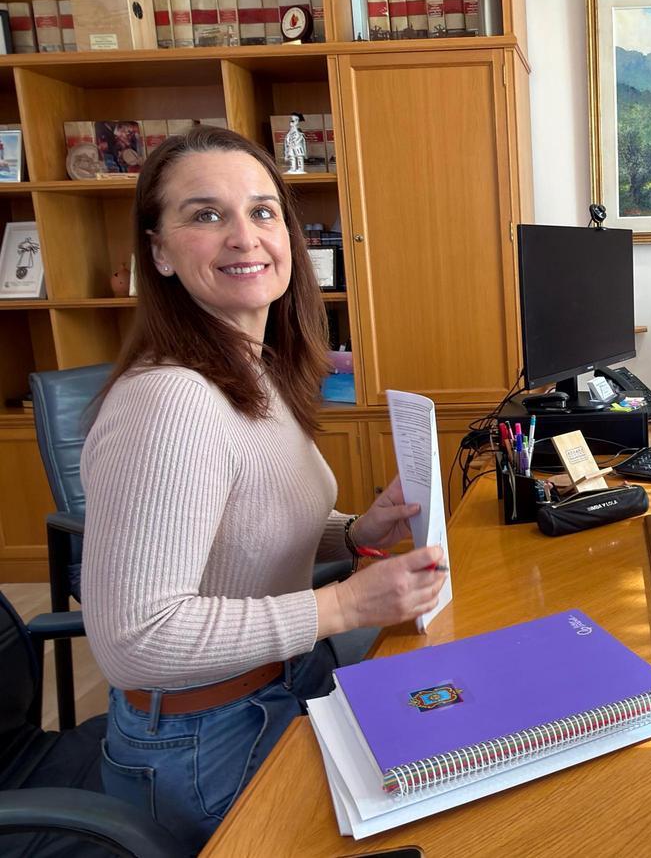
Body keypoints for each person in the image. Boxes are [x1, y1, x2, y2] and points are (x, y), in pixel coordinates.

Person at [80, 126, 447, 852]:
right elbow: (134, 641)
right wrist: (343, 605)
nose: (244, 237)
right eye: (205, 214)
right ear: (159, 251)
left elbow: (240, 529)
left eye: (262, 211)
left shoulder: (252, 369)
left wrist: (355, 532)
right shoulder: (169, 400)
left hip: (279, 685)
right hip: (206, 740)